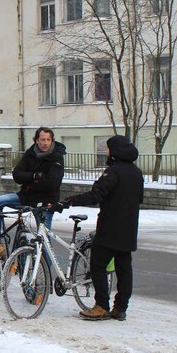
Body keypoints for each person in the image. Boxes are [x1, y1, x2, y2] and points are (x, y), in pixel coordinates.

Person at [56, 135, 143, 321]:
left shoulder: (113, 172)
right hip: (129, 228)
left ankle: (101, 305)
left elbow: (96, 195)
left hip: (110, 227)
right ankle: (120, 309)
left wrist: (70, 200)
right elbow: (139, 199)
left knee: (97, 265)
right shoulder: (136, 172)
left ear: (115, 151)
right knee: (124, 269)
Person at [0, 128, 66, 258]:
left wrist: (29, 184)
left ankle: (48, 276)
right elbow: (17, 175)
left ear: (52, 141)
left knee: (44, 242)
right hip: (26, 197)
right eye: (42, 139)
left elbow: (52, 183)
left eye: (48, 140)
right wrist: (34, 176)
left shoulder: (57, 157)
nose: (45, 143)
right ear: (36, 140)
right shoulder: (30, 153)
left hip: (45, 203)